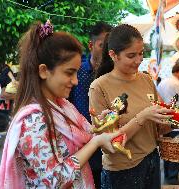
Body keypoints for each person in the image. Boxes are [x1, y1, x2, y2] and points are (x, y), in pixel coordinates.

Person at [0, 20, 122, 189]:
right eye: (69, 73)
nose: (76, 81)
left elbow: (86, 133)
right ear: (43, 71)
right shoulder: (33, 121)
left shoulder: (62, 106)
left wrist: (102, 122)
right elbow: (57, 180)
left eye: (76, 72)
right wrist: (95, 143)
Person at [89, 24, 174, 189]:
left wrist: (167, 118)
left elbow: (160, 122)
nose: (139, 60)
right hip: (122, 170)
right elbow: (107, 143)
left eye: (141, 53)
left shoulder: (146, 80)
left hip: (152, 160)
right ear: (113, 55)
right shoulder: (99, 87)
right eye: (131, 55)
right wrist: (143, 116)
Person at [68, 21, 112, 189]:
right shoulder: (76, 72)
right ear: (91, 45)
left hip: (109, 145)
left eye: (109, 46)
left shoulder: (114, 75)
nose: (107, 51)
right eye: (102, 45)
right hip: (82, 145)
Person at [156, 63, 179, 185]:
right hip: (176, 123)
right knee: (176, 152)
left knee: (167, 151)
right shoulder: (177, 84)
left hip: (163, 121)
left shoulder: (163, 82)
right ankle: (173, 180)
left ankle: (169, 178)